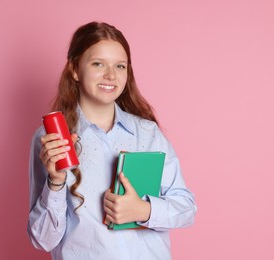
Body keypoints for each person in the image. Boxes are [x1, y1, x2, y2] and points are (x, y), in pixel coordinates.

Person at [27, 21, 197, 260]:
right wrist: (55, 182)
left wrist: (143, 210)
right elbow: (42, 240)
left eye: (120, 66)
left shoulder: (148, 133)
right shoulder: (52, 139)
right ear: (75, 69)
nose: (111, 75)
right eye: (98, 64)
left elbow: (186, 209)